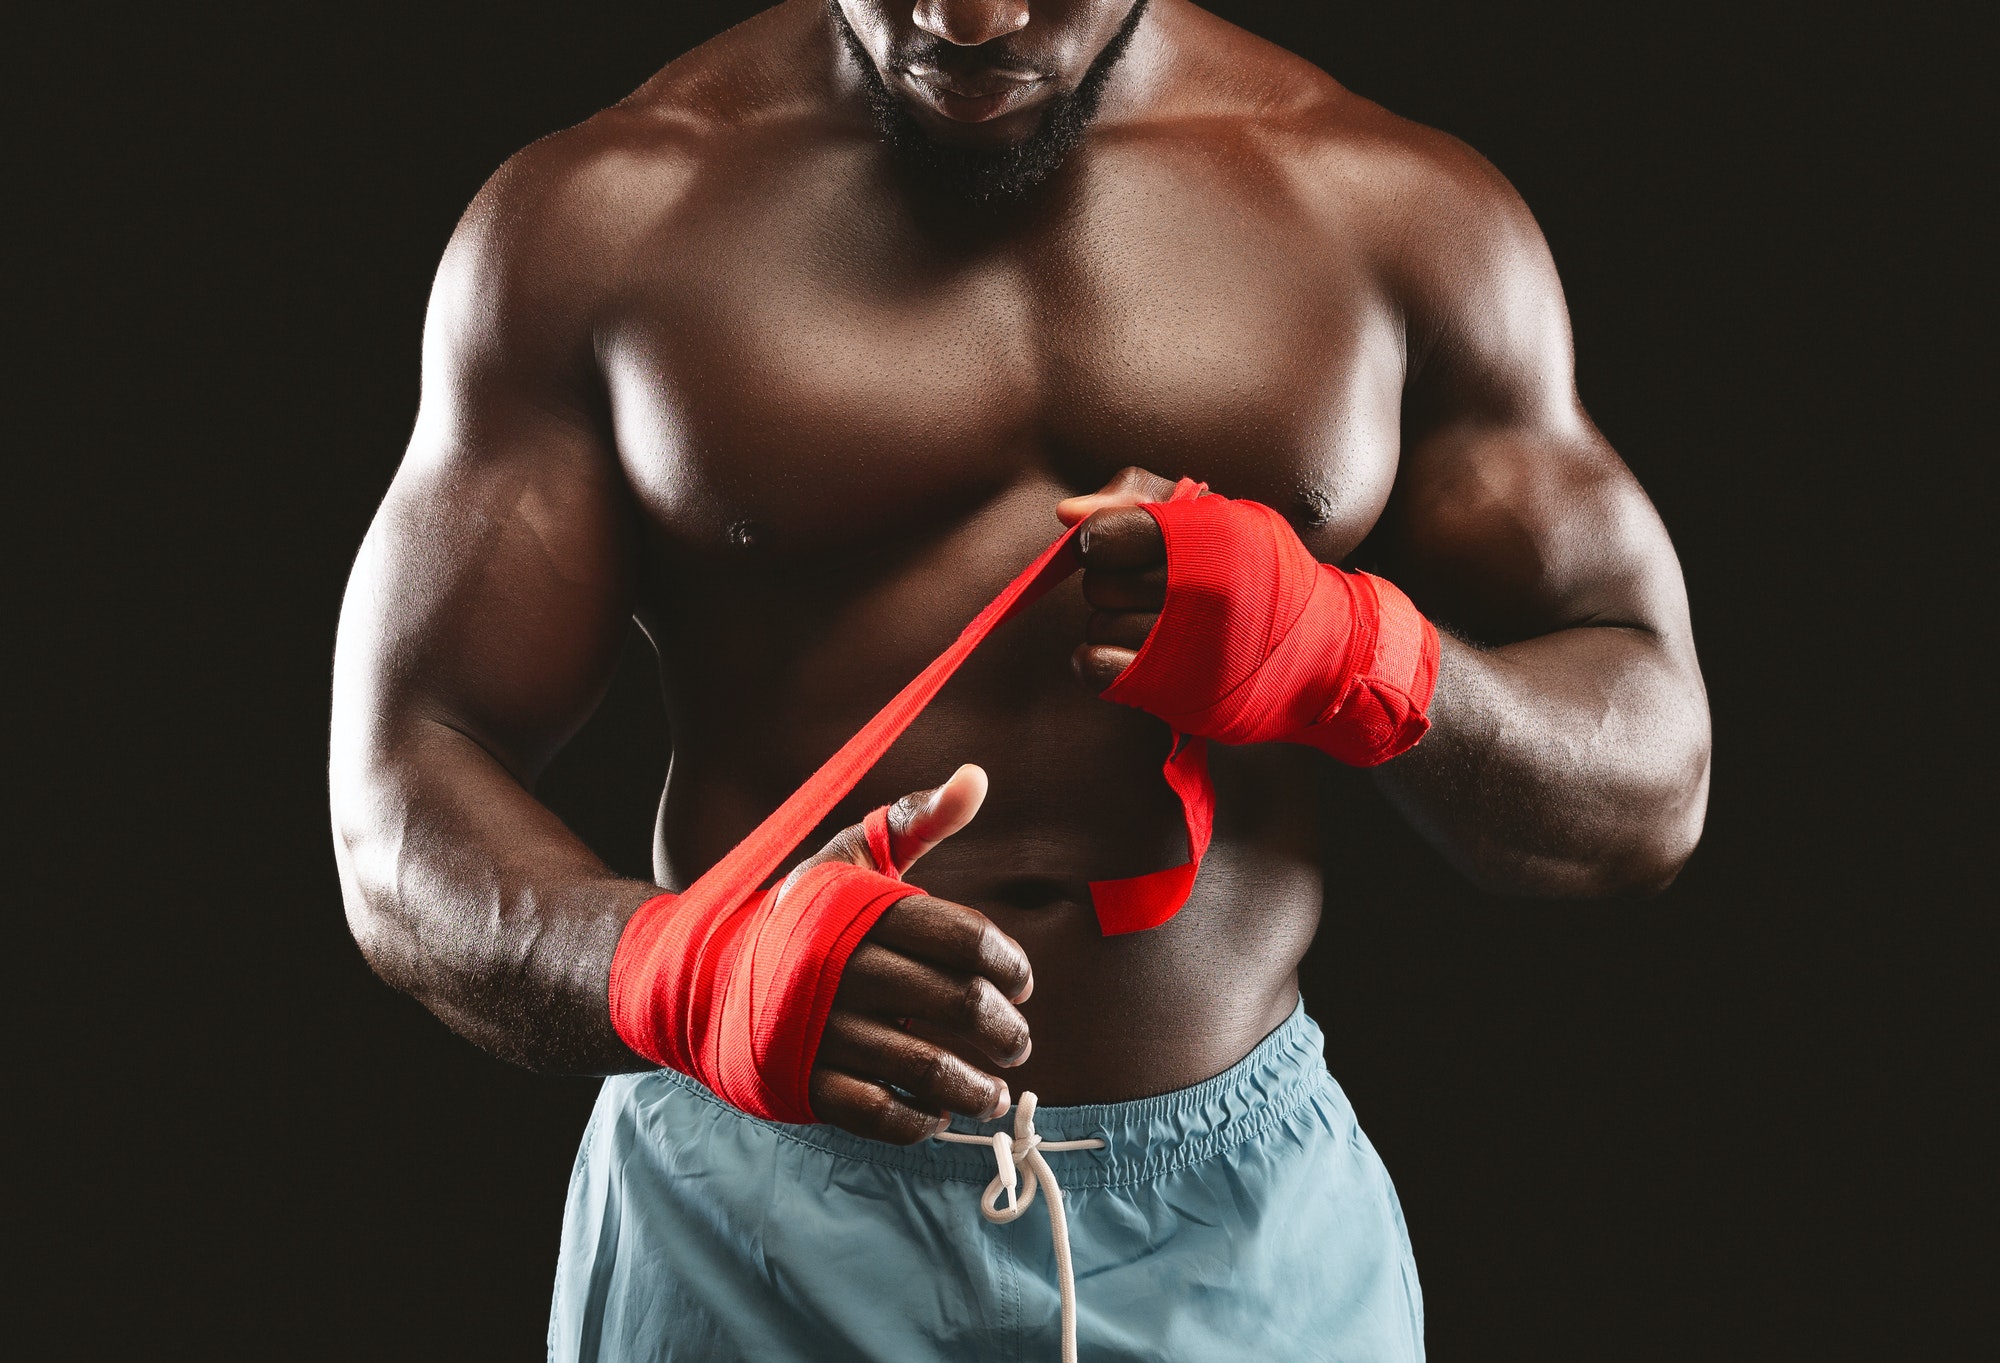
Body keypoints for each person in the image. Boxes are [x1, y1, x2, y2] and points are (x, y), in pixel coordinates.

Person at [328, 2, 1711, 1358]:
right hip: (748, 1231)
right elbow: (399, 795)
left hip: (1236, 1249)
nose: (969, 20)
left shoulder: (1390, 215)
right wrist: (681, 978)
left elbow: (1652, 775)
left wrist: (1360, 660)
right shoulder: (603, 220)